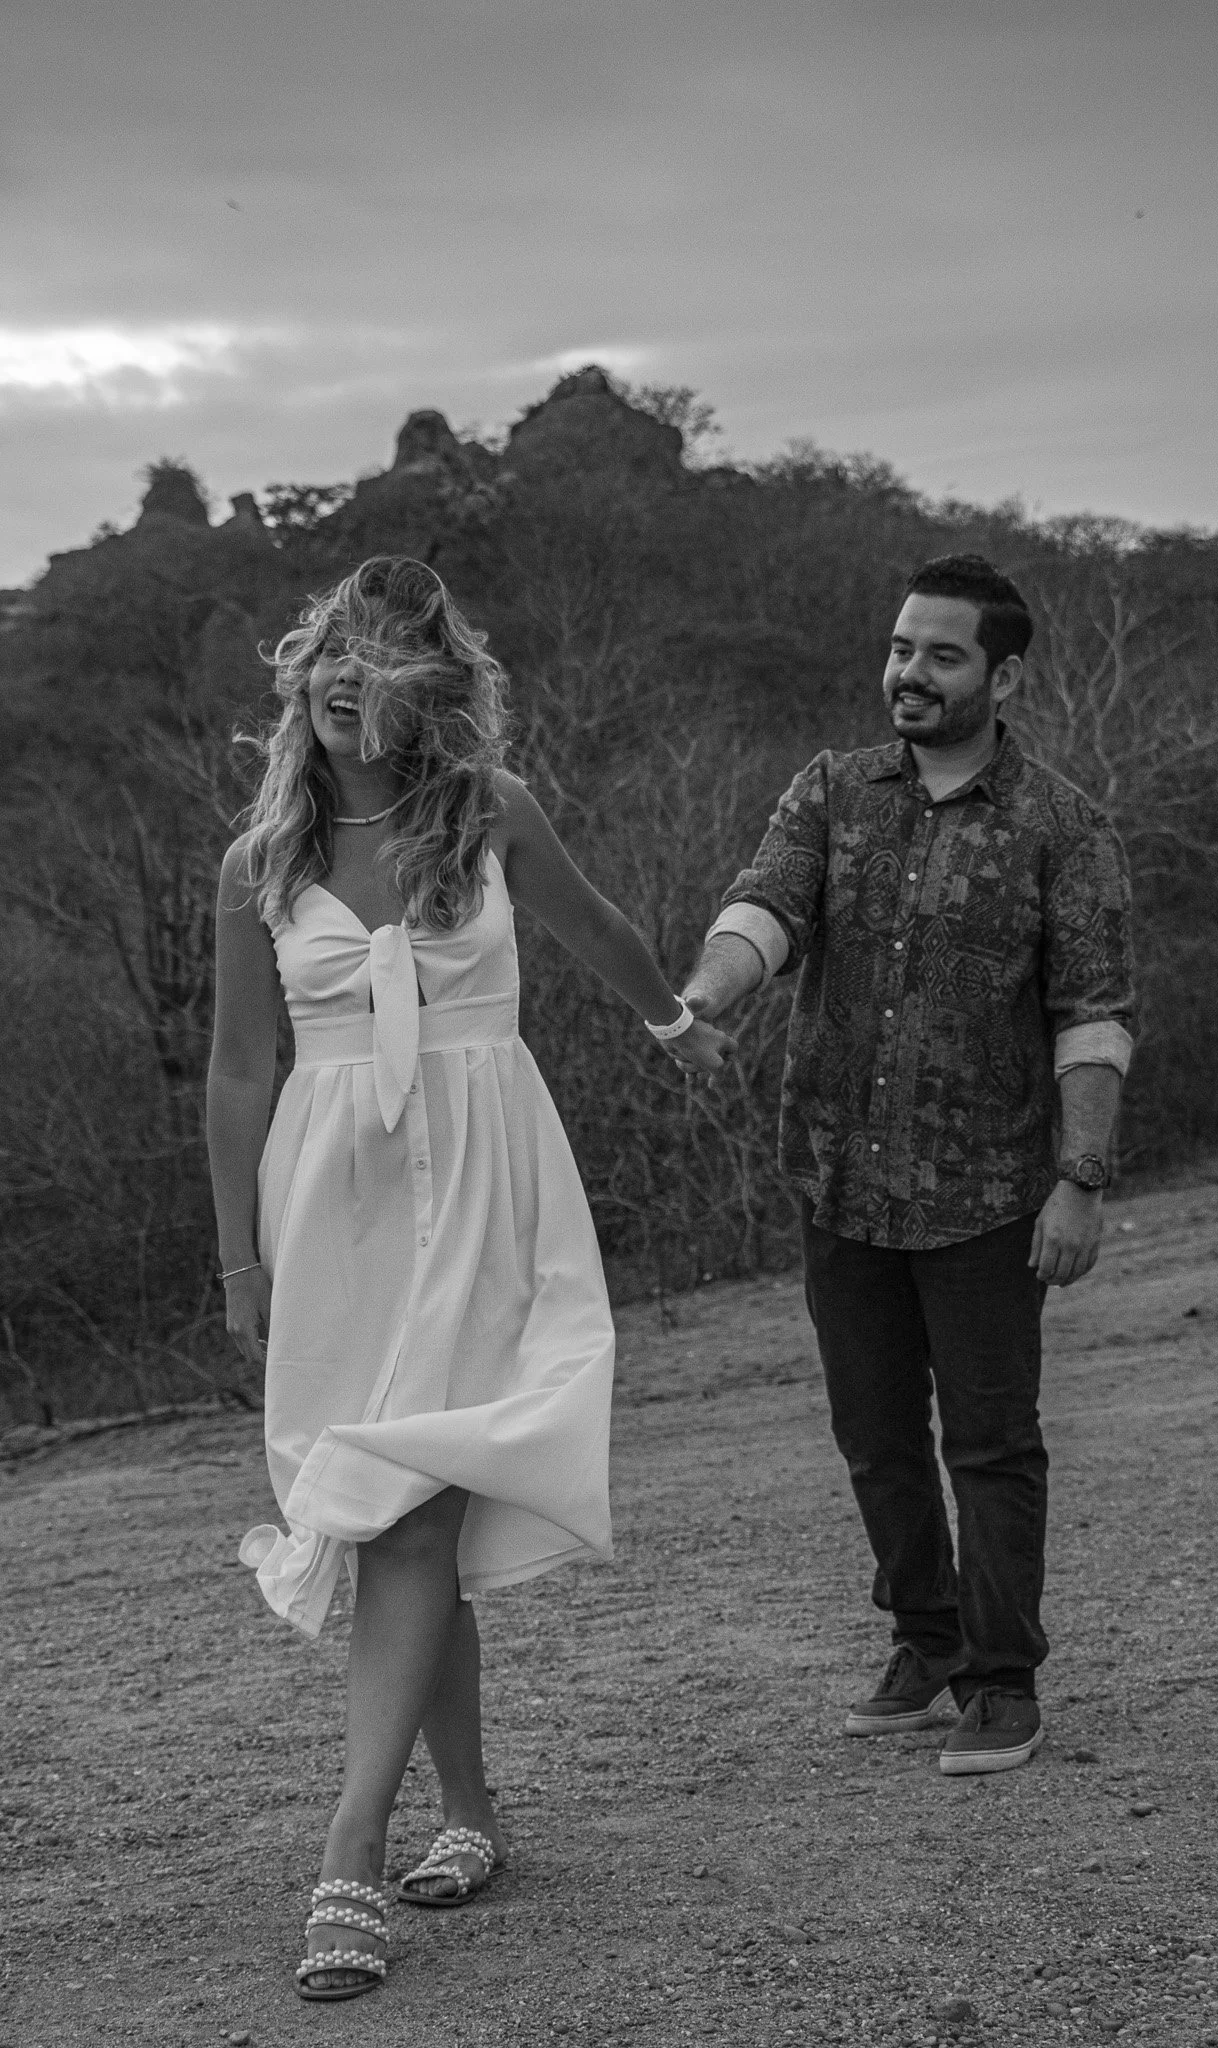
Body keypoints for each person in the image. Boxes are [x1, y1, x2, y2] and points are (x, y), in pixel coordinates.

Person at [206, 555, 732, 2001]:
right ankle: (476, 1816)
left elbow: (604, 932)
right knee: (396, 1522)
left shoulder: (494, 819)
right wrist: (238, 1260)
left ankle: (348, 1852)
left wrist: (675, 1022)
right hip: (333, 1216)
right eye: (327, 654)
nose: (342, 678)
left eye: (376, 659)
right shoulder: (261, 866)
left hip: (487, 1192)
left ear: (428, 693)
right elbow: (242, 1069)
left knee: (420, 1514)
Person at [677, 554, 1134, 1775]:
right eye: (898, 649)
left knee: (988, 1443)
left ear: (1002, 673)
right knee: (874, 1434)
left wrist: (1078, 1176)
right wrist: (704, 993)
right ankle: (925, 1638)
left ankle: (1001, 1676)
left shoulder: (1061, 824)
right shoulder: (831, 792)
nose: (909, 673)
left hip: (987, 1192)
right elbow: (762, 909)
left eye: (939, 654)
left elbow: (1091, 1012)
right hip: (840, 1179)